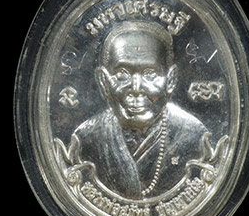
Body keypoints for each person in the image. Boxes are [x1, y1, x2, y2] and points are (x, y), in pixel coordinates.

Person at [65, 21, 209, 199]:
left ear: (170, 80)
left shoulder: (194, 138)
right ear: (104, 82)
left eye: (150, 74)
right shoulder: (85, 140)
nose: (136, 88)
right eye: (122, 74)